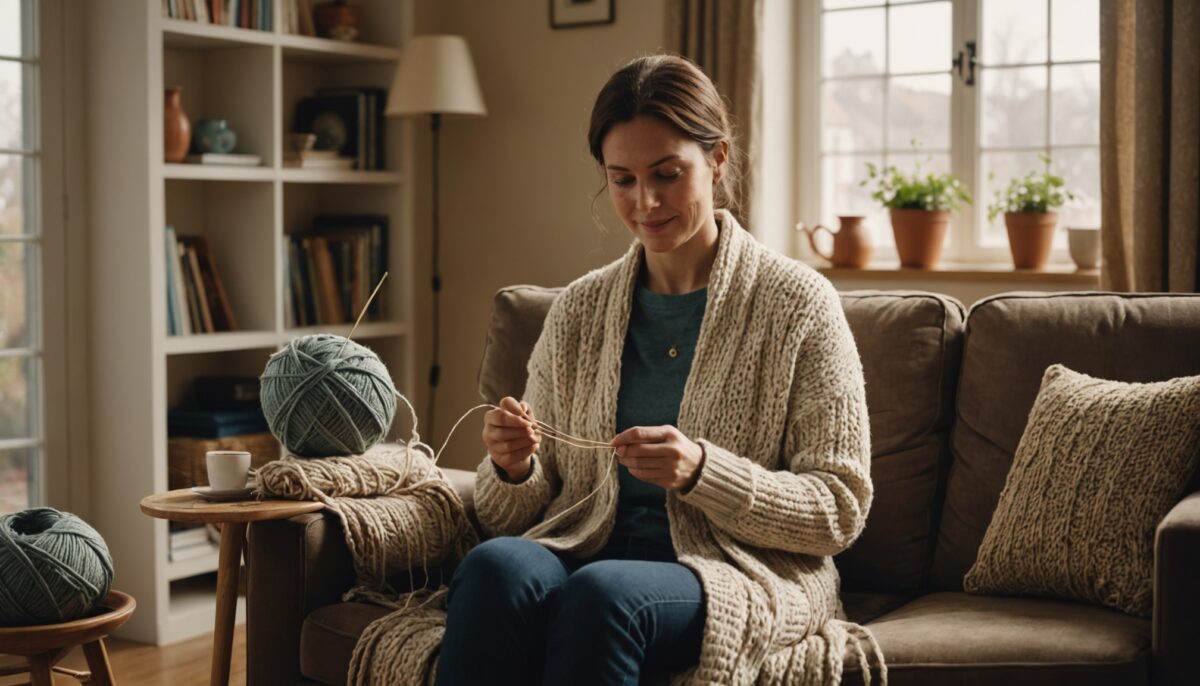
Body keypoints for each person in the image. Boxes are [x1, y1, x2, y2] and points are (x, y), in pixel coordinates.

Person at [434, 54, 880, 686]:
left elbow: (839, 507)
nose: (645, 202)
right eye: (622, 180)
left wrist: (703, 471)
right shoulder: (579, 310)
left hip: (733, 570)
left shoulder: (798, 304)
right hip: (583, 548)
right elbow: (513, 517)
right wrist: (514, 468)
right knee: (495, 566)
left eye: (668, 174)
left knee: (604, 596)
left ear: (718, 158)